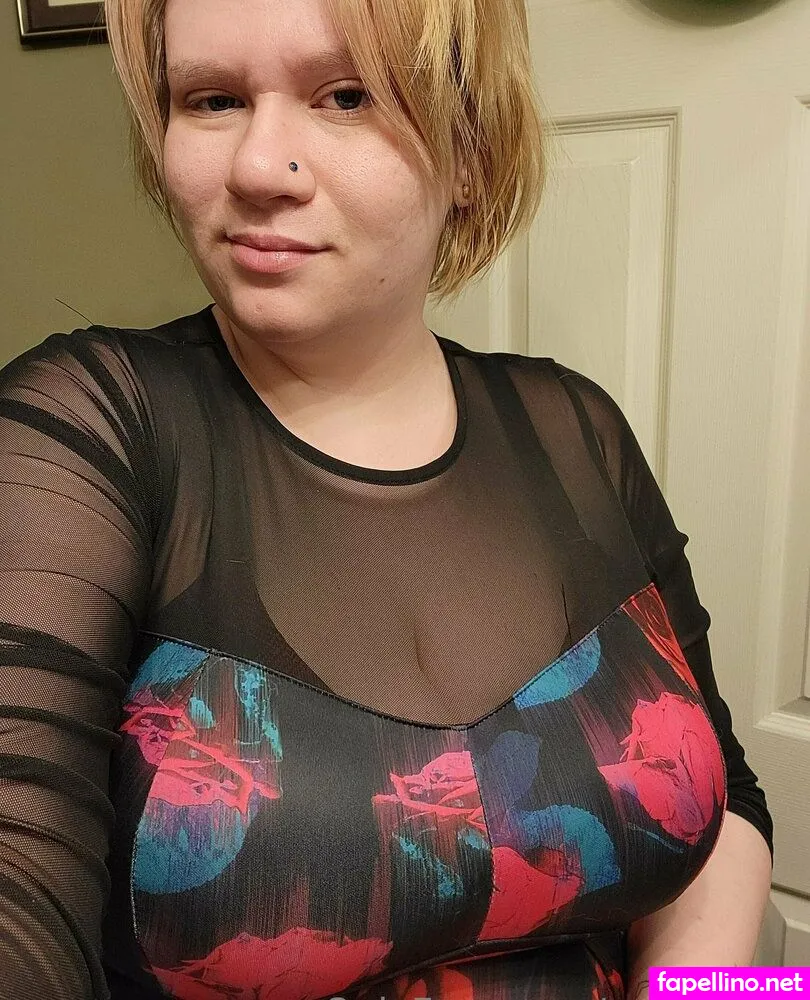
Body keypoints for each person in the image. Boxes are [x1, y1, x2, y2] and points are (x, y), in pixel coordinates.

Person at [0, 0, 774, 995]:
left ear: (470, 150)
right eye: (213, 98)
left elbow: (728, 800)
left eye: (346, 95)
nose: (257, 166)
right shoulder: (82, 428)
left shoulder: (578, 427)